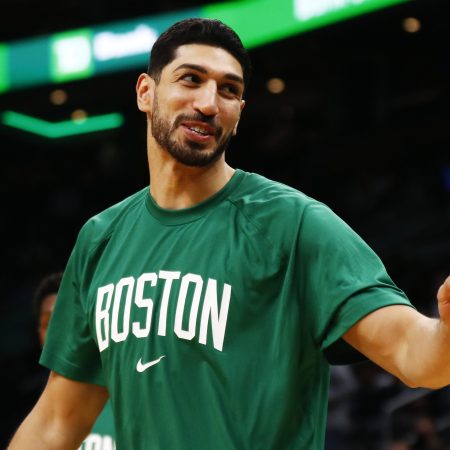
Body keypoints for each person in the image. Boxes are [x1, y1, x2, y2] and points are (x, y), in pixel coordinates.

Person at [7, 17, 450, 450]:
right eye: (191, 79)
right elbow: (55, 423)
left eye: (229, 90)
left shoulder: (293, 223)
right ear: (146, 92)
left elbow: (417, 358)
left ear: (239, 113)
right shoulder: (100, 238)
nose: (208, 102)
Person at [33, 273, 116, 450]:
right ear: (39, 331)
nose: (57, 333)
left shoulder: (125, 396)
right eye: (49, 324)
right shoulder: (33, 414)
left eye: (65, 321)